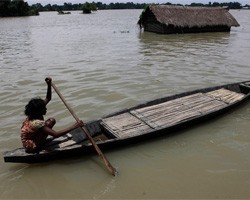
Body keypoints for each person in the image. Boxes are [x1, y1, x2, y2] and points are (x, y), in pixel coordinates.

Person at [21, 77, 84, 153]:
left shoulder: (34, 112)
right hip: (31, 145)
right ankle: (39, 146)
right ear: (39, 111)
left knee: (51, 120)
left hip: (32, 137)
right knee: (48, 126)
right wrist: (74, 126)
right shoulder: (36, 123)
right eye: (44, 108)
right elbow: (55, 134)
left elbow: (48, 98)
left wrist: (49, 85)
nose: (46, 109)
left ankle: (41, 141)